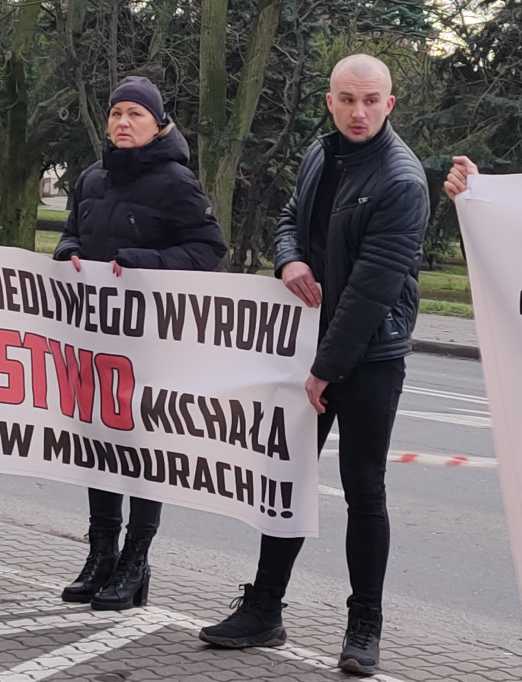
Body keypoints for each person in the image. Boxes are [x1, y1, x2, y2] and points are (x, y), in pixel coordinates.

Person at [198, 54, 429, 675]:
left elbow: (372, 290)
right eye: (348, 99)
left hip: (369, 355)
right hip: (309, 348)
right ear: (329, 101)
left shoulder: (402, 180)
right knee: (286, 479)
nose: (359, 112)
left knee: (365, 491)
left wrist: (323, 370)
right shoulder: (320, 154)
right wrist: (288, 261)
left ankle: (364, 625)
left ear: (390, 103)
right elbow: (288, 220)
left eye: (371, 100)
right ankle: (264, 609)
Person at [53, 76, 226, 611]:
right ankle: (100, 554)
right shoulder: (92, 177)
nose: (123, 122)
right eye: (116, 114)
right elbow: (69, 234)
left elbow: (208, 249)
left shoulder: (176, 182)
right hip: (93, 336)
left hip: (149, 340)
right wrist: (68, 255)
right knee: (97, 447)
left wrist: (137, 264)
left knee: (142, 451)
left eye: (135, 114)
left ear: (158, 124)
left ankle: (135, 561)